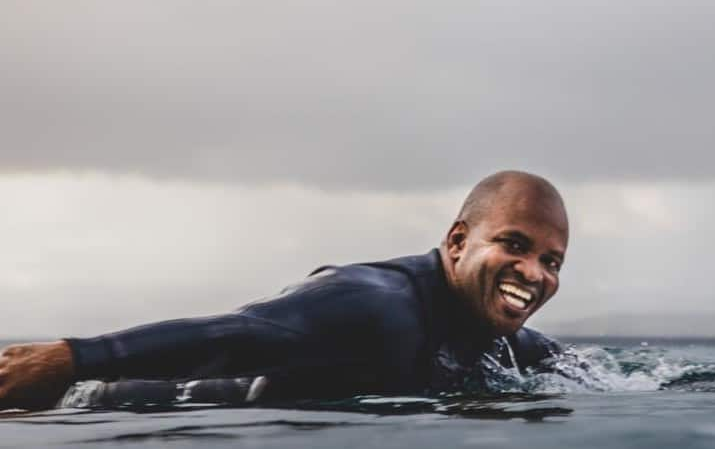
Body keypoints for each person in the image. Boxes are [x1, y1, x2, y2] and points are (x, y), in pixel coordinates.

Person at [0, 171, 569, 410]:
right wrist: (72, 359)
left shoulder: (508, 348)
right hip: (122, 411)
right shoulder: (374, 304)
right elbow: (232, 336)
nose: (533, 272)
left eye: (551, 260)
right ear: (457, 241)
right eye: (514, 245)